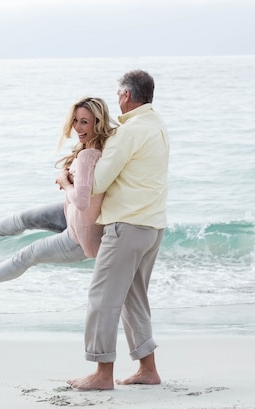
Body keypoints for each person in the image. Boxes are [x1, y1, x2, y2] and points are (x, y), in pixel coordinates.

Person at [0, 97, 117, 300]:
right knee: (25, 217)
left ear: (98, 122)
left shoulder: (89, 156)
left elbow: (81, 201)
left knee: (28, 254)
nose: (77, 127)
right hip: (72, 215)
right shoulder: (101, 148)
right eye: (76, 121)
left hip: (78, 238)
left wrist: (65, 182)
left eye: (84, 122)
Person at [67, 70, 170, 390]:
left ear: (126, 95)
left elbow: (96, 183)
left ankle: (102, 374)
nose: (116, 98)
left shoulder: (130, 131)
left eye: (118, 93)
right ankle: (148, 370)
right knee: (132, 298)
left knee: (102, 297)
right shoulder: (157, 124)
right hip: (153, 226)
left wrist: (65, 180)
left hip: (127, 226)